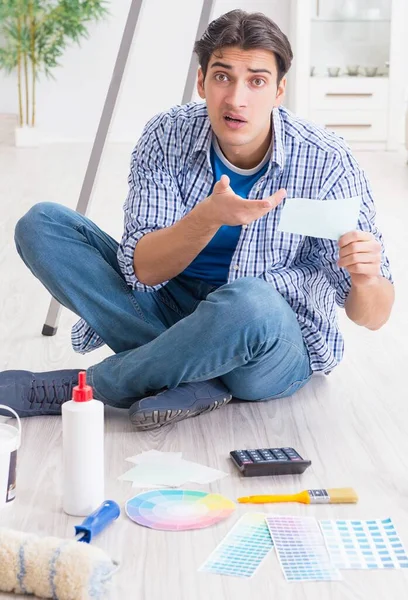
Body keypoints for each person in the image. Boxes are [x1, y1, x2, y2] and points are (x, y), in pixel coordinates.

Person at [1, 10, 394, 431]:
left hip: (267, 339)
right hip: (171, 306)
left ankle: (89, 386)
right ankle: (197, 376)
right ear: (201, 81)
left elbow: (373, 316)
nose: (237, 98)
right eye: (223, 77)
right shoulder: (166, 135)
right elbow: (144, 270)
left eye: (257, 81)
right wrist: (206, 218)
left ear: (280, 90)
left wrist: (366, 279)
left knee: (250, 301)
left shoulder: (327, 160)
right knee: (42, 225)